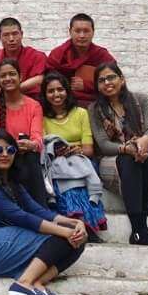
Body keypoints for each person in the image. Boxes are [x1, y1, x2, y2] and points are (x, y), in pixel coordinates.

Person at [0, 130, 86, 295]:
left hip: (11, 244)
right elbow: (21, 217)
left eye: (10, 150)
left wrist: (75, 222)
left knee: (78, 239)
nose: (5, 155)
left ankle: (37, 283)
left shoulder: (13, 183)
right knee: (63, 237)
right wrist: (64, 232)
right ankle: (23, 283)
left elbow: (38, 211)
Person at [89, 63, 148, 247]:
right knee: (127, 158)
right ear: (97, 86)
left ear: (122, 79)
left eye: (111, 77)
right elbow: (103, 144)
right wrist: (126, 148)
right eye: (101, 80)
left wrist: (145, 140)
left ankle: (146, 199)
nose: (107, 83)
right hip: (112, 161)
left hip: (141, 152)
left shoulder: (142, 100)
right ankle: (139, 230)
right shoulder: (94, 110)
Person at [41, 73, 107, 242]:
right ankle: (73, 223)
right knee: (64, 177)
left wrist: (76, 150)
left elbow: (88, 149)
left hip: (81, 158)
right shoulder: (42, 117)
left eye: (60, 89)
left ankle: (88, 224)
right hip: (55, 161)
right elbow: (44, 144)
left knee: (79, 174)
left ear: (67, 91)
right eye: (51, 91)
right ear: (45, 94)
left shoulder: (81, 113)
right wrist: (57, 151)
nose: (56, 94)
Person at [0, 58, 48, 206]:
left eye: (12, 74)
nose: (8, 78)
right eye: (3, 76)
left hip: (28, 156)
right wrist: (12, 147)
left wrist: (31, 145)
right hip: (3, 158)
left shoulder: (34, 106)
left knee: (31, 157)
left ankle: (41, 208)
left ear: (21, 77)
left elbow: (37, 138)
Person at [46, 13, 115, 107]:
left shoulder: (101, 55)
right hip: (64, 103)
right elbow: (48, 80)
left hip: (96, 103)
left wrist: (86, 85)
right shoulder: (59, 54)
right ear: (70, 32)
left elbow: (114, 81)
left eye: (86, 31)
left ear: (93, 32)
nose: (82, 35)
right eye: (77, 31)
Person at [0, 17, 46, 103]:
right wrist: (11, 88)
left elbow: (40, 78)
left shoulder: (37, 56)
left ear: (21, 34)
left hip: (30, 101)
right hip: (2, 102)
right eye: (6, 35)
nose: (11, 39)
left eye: (15, 33)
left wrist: (14, 89)